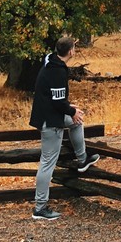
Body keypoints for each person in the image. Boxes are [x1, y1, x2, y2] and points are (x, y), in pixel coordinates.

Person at [29, 34, 100, 221]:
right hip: (50, 122)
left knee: (77, 122)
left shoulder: (50, 62)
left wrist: (70, 109)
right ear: (70, 51)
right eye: (74, 47)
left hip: (49, 115)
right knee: (47, 164)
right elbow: (58, 101)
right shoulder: (57, 71)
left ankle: (82, 159)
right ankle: (40, 207)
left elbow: (56, 98)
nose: (75, 50)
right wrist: (69, 109)